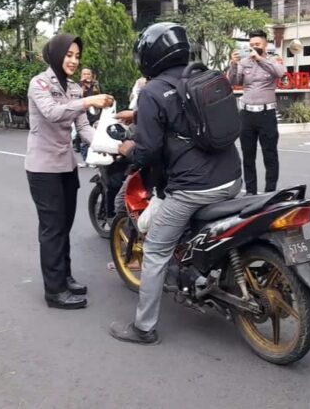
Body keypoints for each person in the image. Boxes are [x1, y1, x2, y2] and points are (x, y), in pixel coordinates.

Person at [108, 23, 242, 345]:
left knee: (154, 251)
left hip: (192, 189)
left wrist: (127, 149)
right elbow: (184, 121)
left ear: (150, 55)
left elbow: (148, 150)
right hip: (233, 178)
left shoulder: (153, 91)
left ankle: (143, 328)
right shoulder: (205, 76)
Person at [25, 33, 114, 310]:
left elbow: (83, 127)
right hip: (43, 168)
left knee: (63, 226)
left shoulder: (75, 88)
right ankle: (54, 291)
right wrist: (89, 101)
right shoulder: (38, 83)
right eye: (69, 55)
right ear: (56, 55)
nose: (74, 60)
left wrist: (109, 147)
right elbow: (53, 113)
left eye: (77, 56)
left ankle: (65, 277)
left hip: (66, 166)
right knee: (52, 229)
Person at [228, 29, 286, 196]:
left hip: (266, 114)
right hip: (247, 114)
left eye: (257, 44)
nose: (254, 47)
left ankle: (270, 192)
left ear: (265, 45)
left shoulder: (274, 60)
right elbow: (234, 81)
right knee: (248, 155)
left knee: (270, 154)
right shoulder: (244, 62)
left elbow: (281, 73)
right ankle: (251, 191)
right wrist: (233, 64)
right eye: (252, 45)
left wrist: (260, 59)